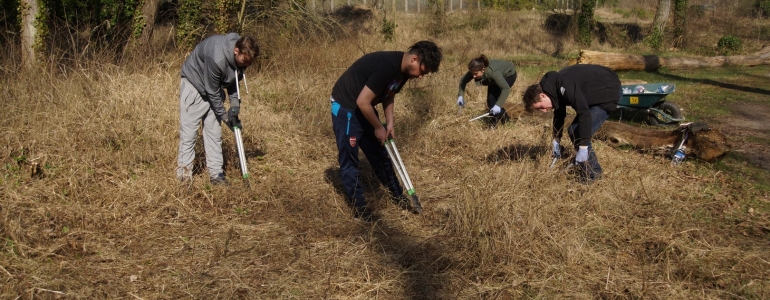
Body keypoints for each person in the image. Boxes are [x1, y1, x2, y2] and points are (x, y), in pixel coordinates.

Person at [330, 41, 442, 221]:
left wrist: (389, 123)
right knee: (350, 158)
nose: (421, 76)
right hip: (346, 107)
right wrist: (377, 127)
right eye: (423, 70)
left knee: (380, 154)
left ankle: (397, 195)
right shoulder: (386, 66)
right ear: (414, 59)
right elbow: (362, 102)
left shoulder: (404, 71)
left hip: (362, 107)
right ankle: (360, 207)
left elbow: (389, 94)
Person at [176, 33, 259, 186]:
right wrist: (226, 118)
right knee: (189, 135)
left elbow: (234, 80)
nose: (246, 66)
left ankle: (216, 175)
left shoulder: (242, 58)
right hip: (194, 85)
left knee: (214, 134)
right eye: (245, 61)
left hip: (212, 88)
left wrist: (234, 107)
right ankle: (184, 178)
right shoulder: (217, 58)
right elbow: (212, 91)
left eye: (249, 63)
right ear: (236, 51)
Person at [522, 64, 620, 183]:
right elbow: (559, 114)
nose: (543, 111)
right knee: (574, 130)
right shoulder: (553, 89)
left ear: (542, 95)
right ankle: (590, 169)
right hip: (594, 93)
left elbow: (584, 112)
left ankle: (592, 175)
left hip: (607, 93)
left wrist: (583, 147)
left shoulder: (564, 86)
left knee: (578, 131)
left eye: (541, 107)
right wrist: (556, 140)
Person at [456, 55, 517, 124]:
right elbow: (463, 81)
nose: (473, 76)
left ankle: (497, 123)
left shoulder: (492, 72)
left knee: (493, 100)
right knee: (491, 101)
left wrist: (498, 105)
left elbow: (506, 89)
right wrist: (460, 95)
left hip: (508, 74)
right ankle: (504, 120)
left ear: (483, 69)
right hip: (494, 78)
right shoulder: (475, 69)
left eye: (476, 74)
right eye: (472, 73)